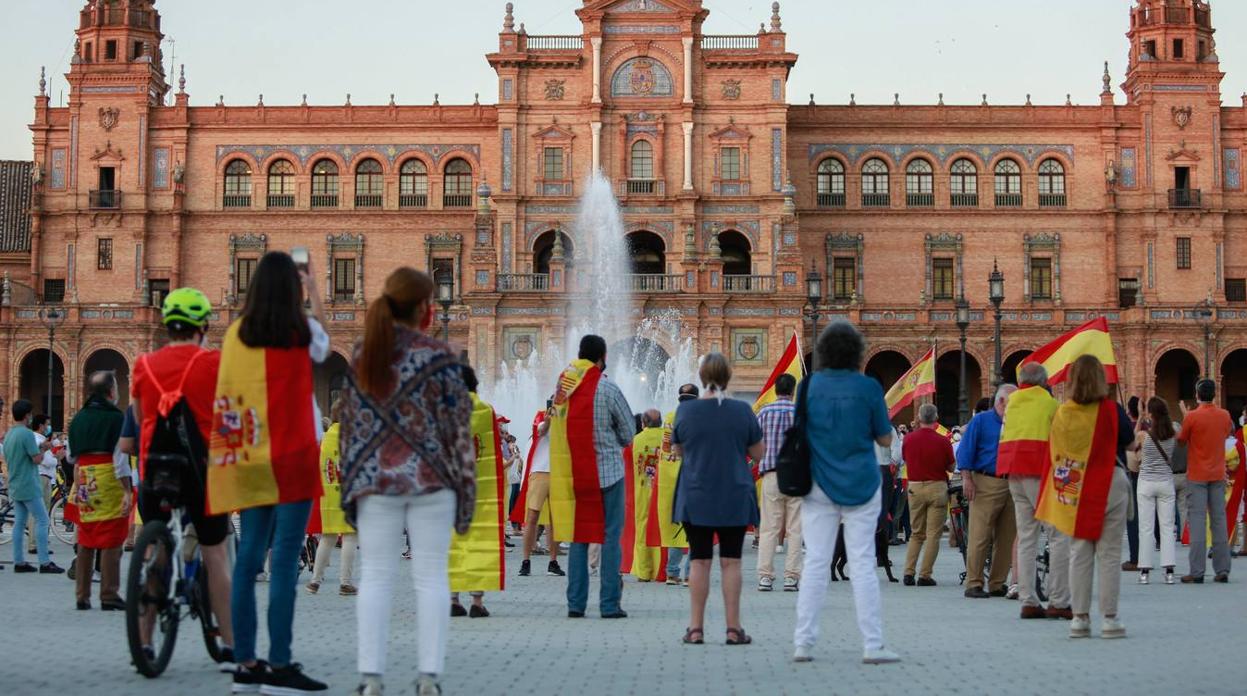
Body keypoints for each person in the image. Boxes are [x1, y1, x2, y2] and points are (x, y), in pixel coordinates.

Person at [339, 267, 475, 696]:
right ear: (425, 310)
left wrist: (350, 483)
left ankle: (371, 677)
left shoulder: (364, 354)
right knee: (432, 577)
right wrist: (466, 494)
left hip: (376, 481)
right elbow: (458, 428)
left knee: (376, 574)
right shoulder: (440, 357)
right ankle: (429, 677)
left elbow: (350, 424)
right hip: (432, 482)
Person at [212, 251, 328, 694]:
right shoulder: (303, 331)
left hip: (248, 456)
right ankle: (280, 662)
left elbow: (228, 395)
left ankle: (245, 663)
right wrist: (313, 287)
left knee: (247, 560)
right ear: (291, 289)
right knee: (283, 561)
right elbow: (325, 341)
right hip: (293, 455)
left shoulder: (235, 334)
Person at [131, 287, 232, 662]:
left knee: (156, 547)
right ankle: (231, 642)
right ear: (201, 326)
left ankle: (143, 640)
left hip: (155, 469)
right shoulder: (213, 363)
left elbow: (141, 416)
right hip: (201, 472)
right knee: (215, 552)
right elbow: (227, 416)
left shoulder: (144, 364)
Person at [793, 322, 900, 665]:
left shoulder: (808, 386)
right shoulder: (868, 387)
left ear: (823, 352)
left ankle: (803, 643)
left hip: (818, 483)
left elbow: (800, 431)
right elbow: (885, 438)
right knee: (864, 563)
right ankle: (872, 644)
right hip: (862, 484)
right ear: (857, 351)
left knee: (816, 562)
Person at [671, 353, 764, 646]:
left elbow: (677, 451)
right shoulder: (743, 411)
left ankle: (695, 629)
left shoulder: (685, 412)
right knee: (731, 562)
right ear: (727, 377)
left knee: (699, 561)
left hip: (696, 493)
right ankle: (733, 629)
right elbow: (758, 454)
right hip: (734, 494)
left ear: (702, 377)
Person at [1039, 355, 1133, 639]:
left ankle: (1079, 618)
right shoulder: (1112, 410)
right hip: (1110, 483)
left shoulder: (1063, 413)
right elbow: (1128, 440)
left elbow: (1056, 451)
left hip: (1075, 486)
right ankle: (1109, 618)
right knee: (1110, 554)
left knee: (1079, 552)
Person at [551, 335, 634, 620]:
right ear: (602, 357)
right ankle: (609, 605)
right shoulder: (608, 388)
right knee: (611, 537)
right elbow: (628, 431)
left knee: (579, 537)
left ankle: (576, 604)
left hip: (575, 473)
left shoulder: (564, 386)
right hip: (608, 472)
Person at [997, 363, 1071, 619]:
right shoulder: (1050, 403)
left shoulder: (1011, 402)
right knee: (1058, 535)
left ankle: (1028, 600)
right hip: (1040, 471)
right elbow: (1061, 440)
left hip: (1013, 472)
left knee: (1027, 536)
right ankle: (1059, 600)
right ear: (1044, 381)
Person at [66, 371, 129, 609]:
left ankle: (82, 595)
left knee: (87, 535)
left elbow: (71, 456)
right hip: (109, 477)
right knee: (112, 537)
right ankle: (109, 594)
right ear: (111, 392)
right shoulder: (116, 419)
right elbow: (120, 460)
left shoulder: (79, 418)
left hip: (84, 477)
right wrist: (126, 490)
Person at [449, 365, 506, 619]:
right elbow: (492, 453)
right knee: (480, 542)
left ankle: (452, 598)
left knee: (452, 542)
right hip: (481, 490)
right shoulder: (486, 411)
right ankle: (477, 601)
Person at [957, 384, 1018, 598]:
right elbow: (965, 450)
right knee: (980, 534)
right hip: (986, 481)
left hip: (1014, 482)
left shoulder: (1017, 421)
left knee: (1007, 536)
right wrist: (967, 479)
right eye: (1015, 401)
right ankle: (974, 582)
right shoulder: (981, 421)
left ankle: (997, 582)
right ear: (1001, 402)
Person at [1177, 379, 1234, 584]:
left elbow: (1182, 441)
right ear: (1214, 394)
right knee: (1219, 521)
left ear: (1198, 394)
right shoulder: (1225, 415)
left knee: (1198, 522)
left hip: (1197, 475)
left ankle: (1197, 571)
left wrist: (1186, 417)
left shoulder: (1192, 417)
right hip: (1218, 474)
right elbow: (1227, 432)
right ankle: (1222, 569)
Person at [5, 399, 63, 574]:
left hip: (15, 482)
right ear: (26, 415)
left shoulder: (9, 434)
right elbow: (36, 459)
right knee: (43, 519)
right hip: (29, 483)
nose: (31, 417)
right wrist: (44, 448)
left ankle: (19, 561)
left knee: (19, 523)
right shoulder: (26, 434)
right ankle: (44, 562)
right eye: (30, 414)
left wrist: (39, 448)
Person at [755, 373, 802, 592]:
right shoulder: (801, 414)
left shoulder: (764, 412)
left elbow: (753, 441)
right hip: (795, 474)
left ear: (775, 390)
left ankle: (765, 576)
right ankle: (791, 577)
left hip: (772, 474)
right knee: (795, 528)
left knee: (769, 528)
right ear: (793, 390)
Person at [900, 403, 955, 587]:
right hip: (937, 487)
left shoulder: (908, 439)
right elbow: (951, 467)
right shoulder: (943, 441)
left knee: (916, 533)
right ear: (936, 418)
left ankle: (908, 572)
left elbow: (906, 459)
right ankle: (925, 574)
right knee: (933, 535)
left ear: (919, 418)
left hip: (915, 487)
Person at [306, 412, 358, 597]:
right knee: (350, 536)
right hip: (347, 491)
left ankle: (314, 582)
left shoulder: (325, 437)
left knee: (327, 538)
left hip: (327, 493)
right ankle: (345, 583)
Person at [513, 400, 564, 578]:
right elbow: (541, 430)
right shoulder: (541, 417)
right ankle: (525, 561)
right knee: (532, 516)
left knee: (555, 521)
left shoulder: (566, 419)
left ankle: (553, 561)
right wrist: (550, 419)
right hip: (540, 472)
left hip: (558, 473)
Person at [1132, 397, 1179, 585]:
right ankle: (1168, 570)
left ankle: (1144, 570)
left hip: (1146, 482)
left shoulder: (1144, 435)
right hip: (1166, 481)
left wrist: (1140, 418)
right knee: (1167, 527)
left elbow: (1132, 441)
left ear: (1151, 414)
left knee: (1146, 527)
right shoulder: (1173, 433)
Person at [630, 409, 666, 582]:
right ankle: (661, 570)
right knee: (662, 529)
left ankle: (644, 572)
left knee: (643, 529)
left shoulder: (636, 440)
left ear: (643, 423)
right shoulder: (667, 438)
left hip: (642, 493)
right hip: (662, 492)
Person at [1123, 395, 1143, 571]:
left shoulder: (1127, 426)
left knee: (1132, 517)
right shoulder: (1151, 427)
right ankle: (1145, 556)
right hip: (1149, 474)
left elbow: (1130, 444)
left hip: (1131, 474)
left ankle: (1135, 557)